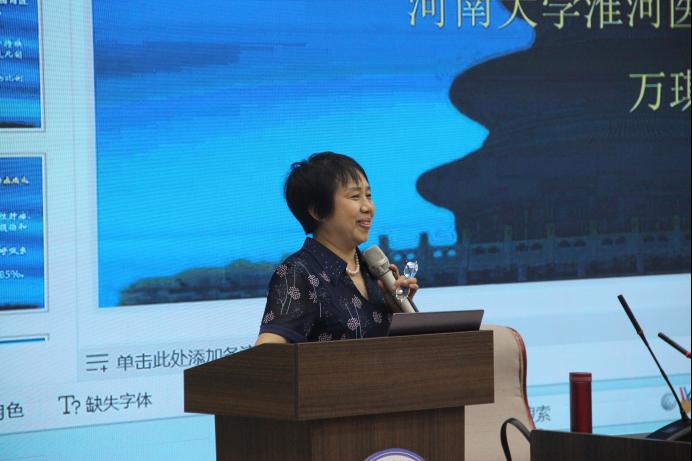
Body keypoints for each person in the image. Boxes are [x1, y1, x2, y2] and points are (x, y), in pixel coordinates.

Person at [255, 152, 418, 345]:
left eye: (368, 196)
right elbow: (267, 351)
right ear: (317, 211)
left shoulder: (374, 271)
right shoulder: (298, 273)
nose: (368, 207)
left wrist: (399, 313)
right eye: (355, 196)